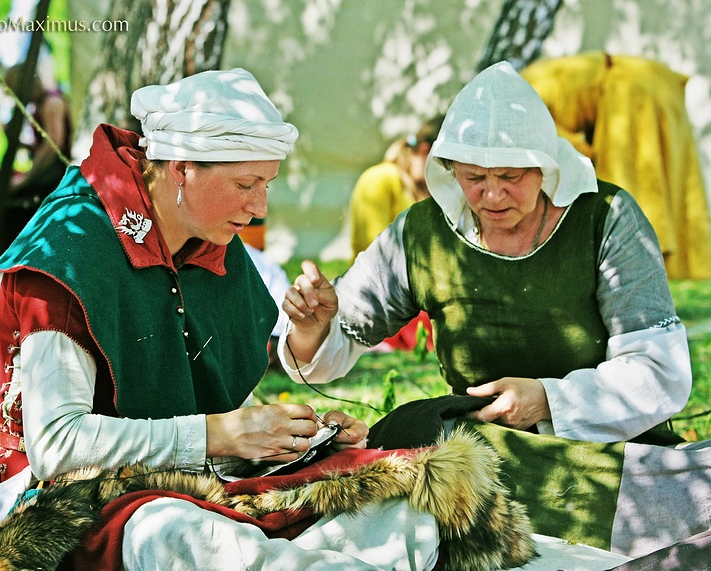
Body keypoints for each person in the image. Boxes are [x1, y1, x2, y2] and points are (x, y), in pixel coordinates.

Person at [0, 68, 447, 571]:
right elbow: (57, 447)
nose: (259, 206)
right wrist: (220, 434)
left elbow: (202, 393)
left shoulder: (205, 232)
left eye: (266, 183)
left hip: (193, 478)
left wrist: (298, 436)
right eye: (246, 185)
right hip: (61, 508)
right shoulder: (71, 248)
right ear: (182, 168)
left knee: (399, 507)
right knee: (195, 540)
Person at [279, 61, 706, 556]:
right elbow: (337, 344)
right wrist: (313, 328)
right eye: (475, 177)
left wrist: (547, 400)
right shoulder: (423, 234)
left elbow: (661, 373)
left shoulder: (606, 220)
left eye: (511, 175)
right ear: (449, 169)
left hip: (615, 453)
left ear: (546, 167)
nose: (492, 194)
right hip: (486, 456)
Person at [520, 51, 711, 280]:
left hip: (628, 90)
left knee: (624, 186)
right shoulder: (525, 80)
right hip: (656, 82)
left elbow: (567, 150)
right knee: (672, 176)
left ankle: (636, 268)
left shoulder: (516, 106)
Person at [347, 119, 442, 351]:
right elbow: (377, 252)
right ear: (425, 151)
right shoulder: (380, 178)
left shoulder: (424, 188)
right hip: (379, 292)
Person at [0, 63, 72, 250]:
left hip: (58, 174)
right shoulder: (41, 105)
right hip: (52, 171)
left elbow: (53, 146)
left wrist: (27, 179)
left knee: (14, 195)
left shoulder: (51, 103)